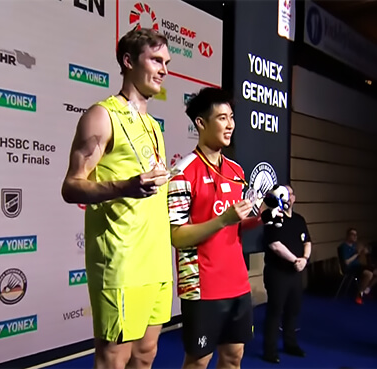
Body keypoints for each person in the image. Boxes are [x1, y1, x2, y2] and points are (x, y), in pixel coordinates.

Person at [61, 28, 173, 369]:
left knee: (146, 354)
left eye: (166, 62)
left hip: (156, 259)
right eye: (155, 60)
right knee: (114, 359)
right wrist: (124, 187)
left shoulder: (154, 125)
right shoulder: (102, 115)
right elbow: (71, 187)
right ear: (128, 61)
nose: (164, 69)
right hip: (121, 262)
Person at [167, 87, 262, 369]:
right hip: (201, 287)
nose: (230, 124)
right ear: (201, 123)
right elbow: (177, 236)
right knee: (199, 362)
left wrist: (265, 212)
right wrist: (223, 220)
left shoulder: (237, 171)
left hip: (238, 283)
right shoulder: (182, 172)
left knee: (234, 357)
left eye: (231, 117)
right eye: (222, 118)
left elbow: (238, 223)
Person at [261, 184, 311, 364]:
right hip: (277, 273)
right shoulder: (273, 217)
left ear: (294, 198)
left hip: (295, 274)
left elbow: (307, 241)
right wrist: (295, 261)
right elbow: (275, 245)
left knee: (293, 310)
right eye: (284, 194)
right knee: (275, 312)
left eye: (290, 194)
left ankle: (291, 344)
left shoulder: (299, 219)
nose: (288, 197)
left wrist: (304, 259)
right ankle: (270, 350)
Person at [337, 228, 377, 304]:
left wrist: (365, 251)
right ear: (348, 236)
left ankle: (367, 289)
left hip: (358, 266)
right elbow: (346, 262)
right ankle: (359, 294)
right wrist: (357, 254)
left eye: (356, 235)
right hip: (350, 268)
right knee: (369, 274)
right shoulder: (343, 247)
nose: (355, 237)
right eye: (353, 235)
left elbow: (364, 252)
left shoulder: (355, 245)